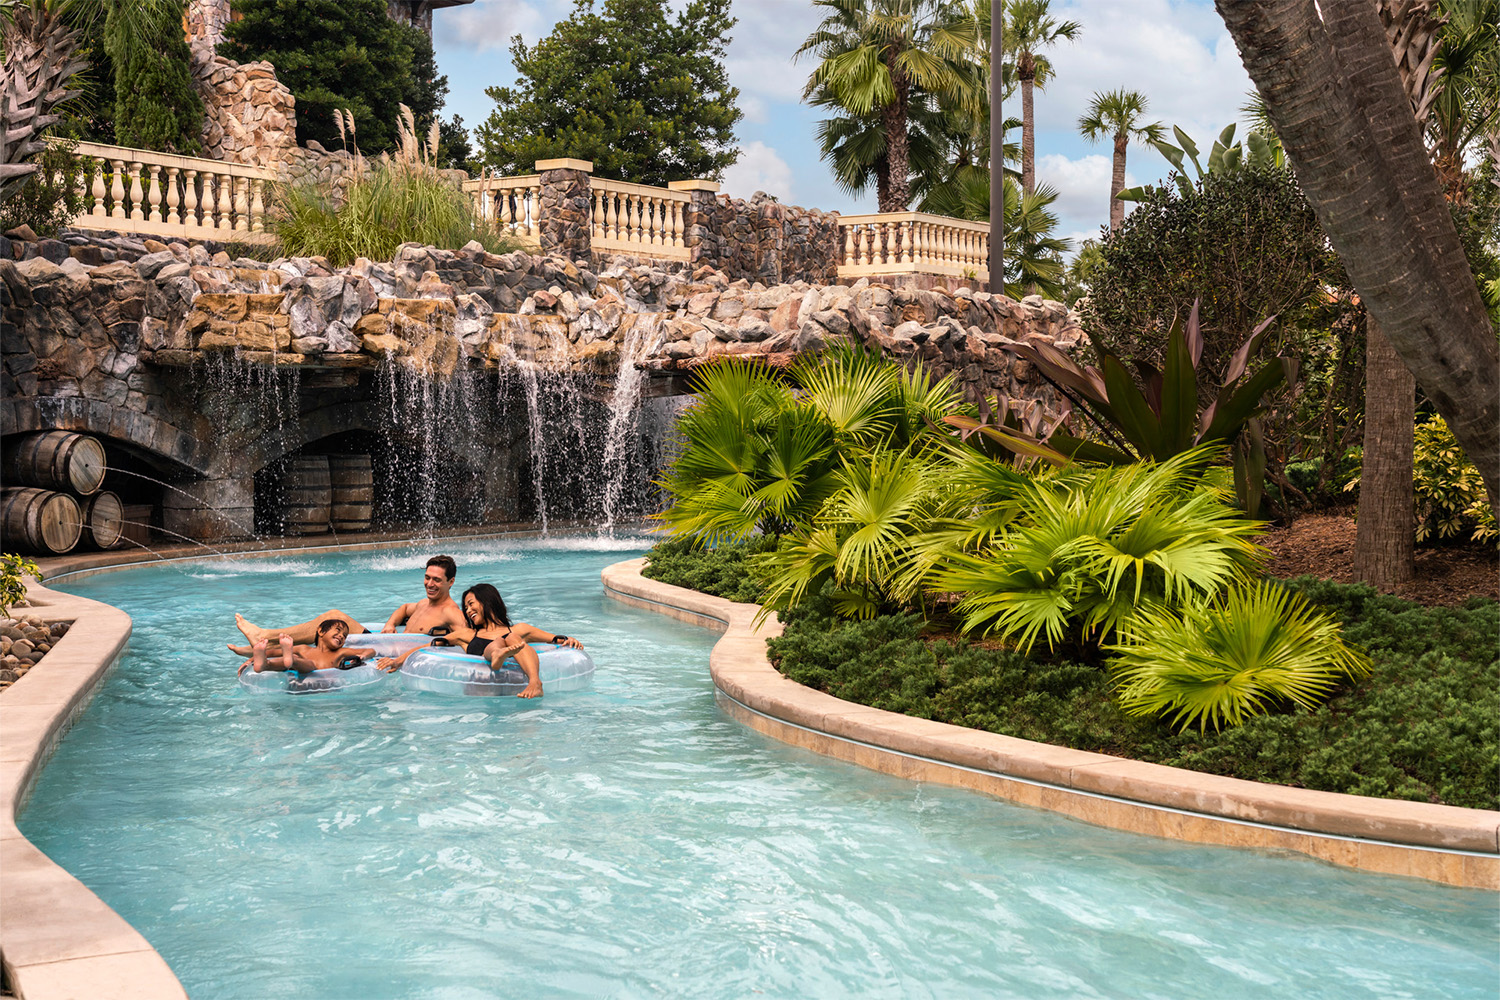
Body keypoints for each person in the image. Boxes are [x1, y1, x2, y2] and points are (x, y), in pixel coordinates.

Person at [376, 583, 582, 700]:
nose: (468, 610)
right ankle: (496, 656)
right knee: (499, 645)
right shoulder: (466, 635)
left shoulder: (519, 630)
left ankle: (535, 682)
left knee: (510, 638)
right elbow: (429, 646)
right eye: (465, 607)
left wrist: (570, 640)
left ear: (487, 602)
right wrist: (398, 660)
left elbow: (555, 639)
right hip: (479, 693)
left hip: (514, 692)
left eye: (471, 604)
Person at [231, 555, 467, 647]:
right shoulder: (424, 603)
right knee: (330, 624)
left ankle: (263, 636)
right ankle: (265, 644)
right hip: (383, 642)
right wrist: (390, 624)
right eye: (427, 578)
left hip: (392, 652)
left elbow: (466, 638)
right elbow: (404, 608)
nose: (429, 584)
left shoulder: (451, 612)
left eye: (436, 580)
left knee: (334, 619)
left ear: (451, 582)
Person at [236, 618, 377, 676]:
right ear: (321, 631)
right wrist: (252, 660)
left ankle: (288, 659)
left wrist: (362, 656)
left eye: (345, 636)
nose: (341, 636)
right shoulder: (304, 648)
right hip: (300, 675)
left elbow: (371, 650)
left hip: (317, 678)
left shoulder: (341, 652)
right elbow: (272, 651)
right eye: (338, 631)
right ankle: (264, 665)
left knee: (300, 661)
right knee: (294, 658)